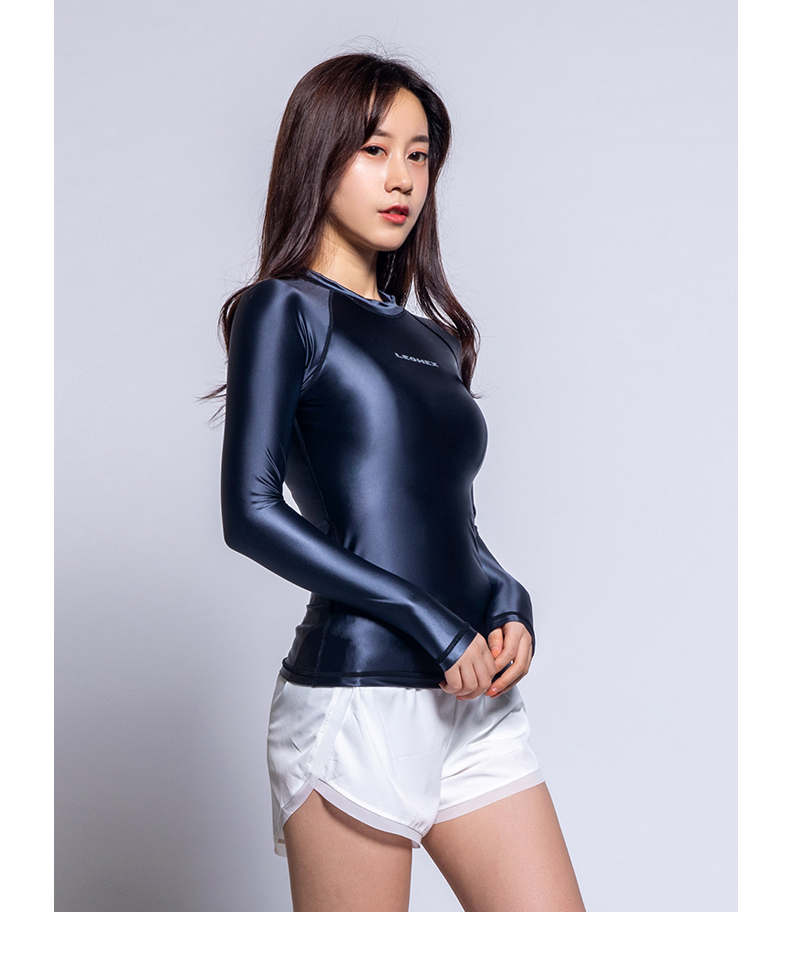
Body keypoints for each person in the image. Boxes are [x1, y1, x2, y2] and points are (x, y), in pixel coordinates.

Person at [209, 51, 585, 912]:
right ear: (319, 155)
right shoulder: (285, 309)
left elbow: (450, 521)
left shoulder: (434, 339)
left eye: (419, 155)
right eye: (374, 150)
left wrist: (508, 600)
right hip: (356, 704)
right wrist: (428, 621)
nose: (402, 178)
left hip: (472, 704)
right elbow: (250, 512)